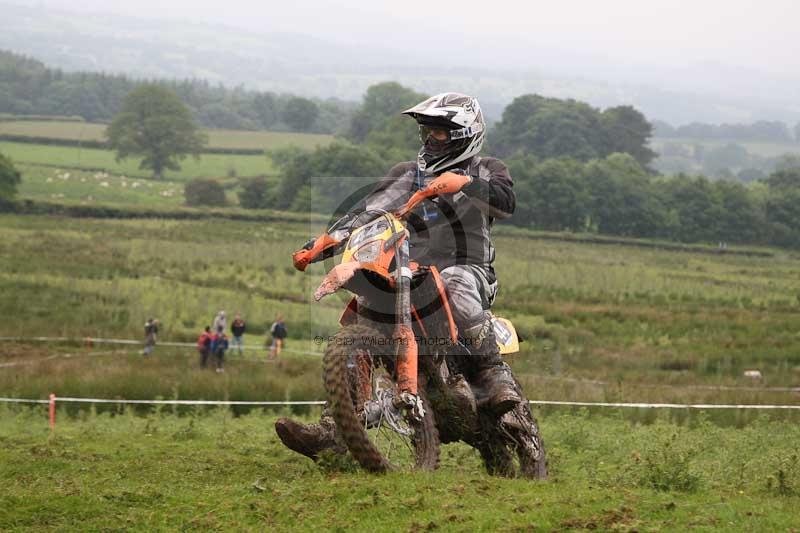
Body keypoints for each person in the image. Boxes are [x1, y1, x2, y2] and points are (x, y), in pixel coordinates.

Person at [276, 92, 520, 461]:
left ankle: (492, 375)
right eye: (427, 132)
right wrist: (326, 242)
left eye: (439, 133)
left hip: (468, 267)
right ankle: (334, 426)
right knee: (364, 311)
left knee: (456, 283)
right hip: (407, 269)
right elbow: (370, 209)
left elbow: (506, 203)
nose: (429, 139)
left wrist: (466, 185)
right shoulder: (407, 173)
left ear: (464, 135)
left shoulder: (486, 168)